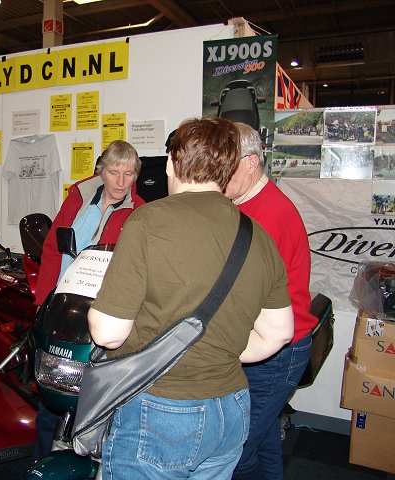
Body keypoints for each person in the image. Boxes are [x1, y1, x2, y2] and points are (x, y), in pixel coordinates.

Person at [87, 117, 294, 479]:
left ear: (171, 162)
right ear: (227, 169)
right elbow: (279, 333)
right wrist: (215, 350)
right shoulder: (256, 234)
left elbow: (108, 333)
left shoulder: (149, 220)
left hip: (161, 407)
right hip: (231, 408)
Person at [32, 139, 145, 459]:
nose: (121, 182)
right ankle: (42, 461)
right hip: (62, 307)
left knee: (92, 399)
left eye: (128, 174)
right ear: (101, 171)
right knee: (51, 395)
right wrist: (42, 303)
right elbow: (53, 250)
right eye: (114, 172)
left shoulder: (140, 212)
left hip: (101, 315)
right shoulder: (79, 198)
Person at [227, 122, 318, 480]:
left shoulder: (267, 214)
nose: (217, 172)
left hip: (278, 351)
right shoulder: (245, 204)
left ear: (251, 163)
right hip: (265, 342)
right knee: (264, 440)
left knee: (237, 451)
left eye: (226, 163)